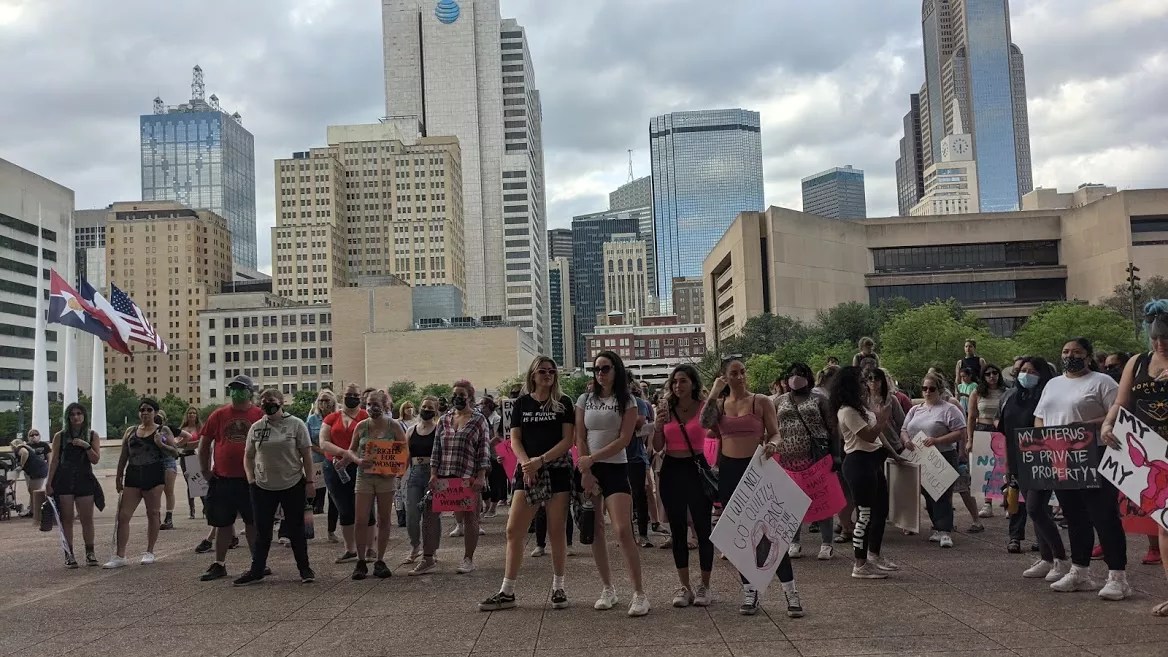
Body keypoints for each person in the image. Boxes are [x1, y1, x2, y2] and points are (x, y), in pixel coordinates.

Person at [702, 357, 800, 617]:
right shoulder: (720, 404)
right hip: (729, 471)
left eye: (743, 372)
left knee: (772, 532)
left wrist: (773, 444)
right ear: (725, 377)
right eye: (734, 373)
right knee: (741, 534)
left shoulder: (761, 401)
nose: (740, 377)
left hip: (756, 468)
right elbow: (705, 423)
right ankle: (749, 591)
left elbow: (775, 432)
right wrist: (714, 392)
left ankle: (790, 592)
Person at [479, 356, 576, 611]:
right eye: (542, 371)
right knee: (514, 529)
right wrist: (526, 464)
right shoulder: (522, 403)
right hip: (527, 470)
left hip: (556, 469)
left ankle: (558, 587)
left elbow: (568, 440)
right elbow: (515, 439)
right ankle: (507, 590)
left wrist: (540, 461)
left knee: (556, 530)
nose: (547, 375)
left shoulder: (564, 402)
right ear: (533, 375)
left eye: (551, 371)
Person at [1035, 338, 1127, 599]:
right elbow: (1040, 416)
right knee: (1074, 515)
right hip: (1060, 456)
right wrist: (1043, 439)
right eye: (1066, 351)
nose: (1070, 356)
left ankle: (1117, 576)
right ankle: (1080, 571)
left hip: (1093, 454)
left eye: (1077, 352)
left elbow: (1118, 413)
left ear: (1088, 356)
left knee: (1103, 514)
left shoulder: (1102, 382)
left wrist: (1087, 426)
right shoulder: (1053, 384)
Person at [1103, 303, 1168, 614]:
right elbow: (1121, 402)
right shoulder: (1138, 361)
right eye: (1155, 338)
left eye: (1166, 337)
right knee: (1165, 525)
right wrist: (1108, 423)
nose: (1161, 343)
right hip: (1154, 456)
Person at [576, 351, 649, 616]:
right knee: (595, 529)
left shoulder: (627, 401)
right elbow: (580, 436)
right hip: (590, 469)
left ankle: (639, 593)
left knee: (622, 529)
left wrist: (592, 458)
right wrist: (586, 468)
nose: (600, 373)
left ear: (616, 370)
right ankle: (608, 588)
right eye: (596, 369)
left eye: (605, 368)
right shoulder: (585, 399)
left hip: (616, 467)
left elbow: (624, 439)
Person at [231, 389, 315, 585]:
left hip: (292, 483)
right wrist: (251, 478)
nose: (266, 404)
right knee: (262, 531)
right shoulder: (257, 427)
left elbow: (307, 455)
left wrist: (310, 482)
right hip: (263, 486)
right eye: (262, 401)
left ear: (281, 402)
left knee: (296, 529)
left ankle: (305, 569)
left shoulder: (296, 424)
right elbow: (248, 456)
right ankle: (257, 569)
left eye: (270, 400)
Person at [651, 364, 714, 608]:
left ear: (693, 383)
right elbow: (657, 446)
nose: (678, 386)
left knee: (703, 528)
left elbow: (718, 433)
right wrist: (658, 425)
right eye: (675, 381)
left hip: (697, 468)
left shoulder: (704, 407)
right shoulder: (666, 408)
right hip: (672, 469)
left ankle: (705, 585)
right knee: (677, 531)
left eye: (683, 381)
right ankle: (684, 586)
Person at [831, 366, 900, 579]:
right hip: (859, 463)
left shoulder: (860, 407)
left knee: (880, 510)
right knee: (865, 514)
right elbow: (869, 435)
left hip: (873, 461)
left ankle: (874, 555)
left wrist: (894, 454)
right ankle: (860, 564)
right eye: (861, 381)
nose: (865, 385)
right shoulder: (847, 411)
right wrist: (882, 420)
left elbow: (878, 437)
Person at [1004, 356, 1067, 581]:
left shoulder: (1047, 398)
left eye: (1032, 371)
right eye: (1023, 370)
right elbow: (1006, 432)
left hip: (1042, 460)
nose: (1026, 375)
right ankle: (1046, 558)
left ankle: (1059, 558)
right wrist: (1008, 465)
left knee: (1035, 509)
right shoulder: (1012, 397)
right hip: (1017, 461)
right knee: (1036, 511)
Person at [198, 375, 265, 582]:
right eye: (233, 388)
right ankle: (219, 563)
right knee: (223, 522)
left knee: (253, 522)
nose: (236, 392)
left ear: (250, 392)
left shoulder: (259, 415)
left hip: (251, 479)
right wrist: (205, 470)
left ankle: (258, 563)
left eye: (240, 389)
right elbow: (204, 444)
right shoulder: (219, 414)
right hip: (223, 478)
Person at [105, 398, 181, 568]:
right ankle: (120, 555)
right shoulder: (131, 431)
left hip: (153, 473)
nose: (145, 413)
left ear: (155, 412)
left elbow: (175, 453)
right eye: (142, 410)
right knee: (123, 515)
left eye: (149, 410)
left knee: (153, 513)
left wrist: (161, 444)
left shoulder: (162, 430)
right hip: (133, 474)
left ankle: (149, 551)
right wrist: (118, 477)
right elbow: (123, 456)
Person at [340, 389, 406, 580]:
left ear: (385, 406)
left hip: (386, 477)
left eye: (375, 404)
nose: (371, 408)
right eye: (368, 404)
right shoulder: (362, 426)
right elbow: (351, 450)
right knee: (361, 519)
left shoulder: (393, 426)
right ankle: (361, 560)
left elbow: (403, 449)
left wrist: (398, 471)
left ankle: (380, 559)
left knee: (384, 519)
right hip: (365, 476)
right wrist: (357, 461)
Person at [776, 362, 839, 560]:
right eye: (792, 374)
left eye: (800, 373)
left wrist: (836, 455)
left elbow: (833, 428)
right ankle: (794, 542)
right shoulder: (779, 401)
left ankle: (826, 543)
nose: (796, 377)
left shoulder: (820, 400)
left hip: (816, 457)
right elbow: (772, 428)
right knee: (791, 502)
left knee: (821, 500)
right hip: (787, 460)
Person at [431, 379, 492, 574]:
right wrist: (433, 473)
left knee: (470, 517)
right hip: (445, 473)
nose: (457, 398)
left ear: (470, 397)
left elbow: (483, 450)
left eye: (462, 395)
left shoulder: (478, 420)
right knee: (436, 514)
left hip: (468, 474)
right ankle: (429, 555)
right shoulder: (444, 420)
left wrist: (481, 476)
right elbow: (436, 448)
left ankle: (468, 559)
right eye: (455, 395)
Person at [901, 372, 967, 549]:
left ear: (940, 390)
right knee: (927, 493)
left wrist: (937, 440)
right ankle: (937, 526)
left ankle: (945, 530)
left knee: (942, 493)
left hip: (943, 455)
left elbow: (960, 432)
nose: (927, 392)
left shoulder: (949, 409)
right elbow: (904, 429)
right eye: (924, 388)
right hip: (920, 456)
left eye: (931, 389)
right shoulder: (915, 409)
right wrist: (906, 441)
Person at [46, 403, 102, 567]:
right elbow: (54, 460)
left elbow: (95, 460)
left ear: (84, 415)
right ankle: (69, 553)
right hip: (64, 479)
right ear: (68, 417)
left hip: (84, 478)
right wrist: (49, 482)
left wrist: (86, 445)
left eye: (79, 413)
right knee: (67, 518)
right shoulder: (60, 436)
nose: (76, 417)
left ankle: (90, 552)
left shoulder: (92, 435)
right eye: (72, 414)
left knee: (87, 518)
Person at [319, 383, 370, 563]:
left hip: (361, 466)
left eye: (356, 395)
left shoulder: (366, 416)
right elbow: (324, 442)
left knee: (365, 508)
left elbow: (371, 441)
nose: (352, 398)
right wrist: (344, 453)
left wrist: (350, 457)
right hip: (335, 467)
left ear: (360, 398)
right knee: (344, 508)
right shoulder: (331, 418)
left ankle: (370, 548)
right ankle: (350, 549)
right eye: (349, 394)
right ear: (342, 396)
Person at [967, 365, 1008, 533]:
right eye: (988, 374)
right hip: (983, 429)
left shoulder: (1006, 392)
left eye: (995, 373)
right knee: (986, 469)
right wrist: (970, 439)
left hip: (1001, 431)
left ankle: (1007, 502)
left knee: (1003, 468)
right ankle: (987, 503)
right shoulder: (977, 393)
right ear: (983, 377)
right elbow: (971, 417)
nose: (992, 376)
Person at [404, 397, 442, 574]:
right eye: (424, 406)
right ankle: (415, 546)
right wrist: (400, 476)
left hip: (432, 473)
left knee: (431, 515)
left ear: (435, 411)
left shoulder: (439, 429)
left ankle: (431, 550)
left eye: (430, 407)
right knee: (411, 513)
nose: (426, 409)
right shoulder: (411, 430)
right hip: (415, 472)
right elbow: (406, 455)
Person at [306, 390, 338, 541]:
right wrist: (323, 450)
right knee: (311, 497)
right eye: (321, 401)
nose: (324, 404)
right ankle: (306, 529)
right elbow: (307, 441)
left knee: (333, 497)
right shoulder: (312, 420)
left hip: (334, 461)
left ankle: (331, 531)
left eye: (327, 400)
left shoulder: (338, 418)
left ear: (333, 402)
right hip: (317, 461)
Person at [627, 373, 654, 548]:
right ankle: (628, 534)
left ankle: (643, 534)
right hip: (615, 457)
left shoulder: (639, 403)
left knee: (639, 495)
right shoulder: (611, 403)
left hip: (635, 456)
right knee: (623, 498)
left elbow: (639, 423)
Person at [12, 431, 48, 526]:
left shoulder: (20, 448)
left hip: (38, 471)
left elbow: (25, 453)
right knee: (31, 490)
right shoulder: (26, 447)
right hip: (38, 470)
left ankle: (38, 513)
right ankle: (32, 510)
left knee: (35, 492)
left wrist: (21, 465)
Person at [480, 395, 508, 518]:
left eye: (483, 404)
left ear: (489, 406)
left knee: (495, 480)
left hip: (496, 454)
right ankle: (487, 505)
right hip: (486, 454)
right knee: (485, 482)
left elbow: (498, 437)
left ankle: (493, 508)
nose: (481, 407)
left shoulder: (496, 419)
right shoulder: (482, 418)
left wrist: (484, 445)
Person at [177, 407, 203, 520]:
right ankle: (192, 510)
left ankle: (206, 507)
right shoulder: (182, 428)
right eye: (189, 413)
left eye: (194, 413)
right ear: (186, 415)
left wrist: (187, 444)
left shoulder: (200, 428)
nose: (191, 415)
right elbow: (178, 443)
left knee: (198, 483)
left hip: (195, 456)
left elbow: (201, 442)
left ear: (196, 415)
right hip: (184, 457)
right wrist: (186, 444)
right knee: (189, 483)